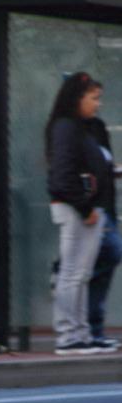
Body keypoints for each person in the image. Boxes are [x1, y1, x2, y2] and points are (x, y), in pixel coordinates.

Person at [46, 72, 117, 355]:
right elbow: (61, 177)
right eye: (94, 98)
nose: (97, 104)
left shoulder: (78, 127)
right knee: (73, 274)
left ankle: (80, 333)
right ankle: (68, 335)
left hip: (86, 209)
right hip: (78, 210)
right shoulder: (66, 128)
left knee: (80, 274)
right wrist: (85, 207)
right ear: (77, 98)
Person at [85, 117, 122, 347]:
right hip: (92, 209)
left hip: (104, 207)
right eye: (93, 98)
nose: (96, 103)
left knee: (106, 258)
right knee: (111, 250)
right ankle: (90, 328)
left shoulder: (97, 128)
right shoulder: (72, 131)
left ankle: (94, 329)